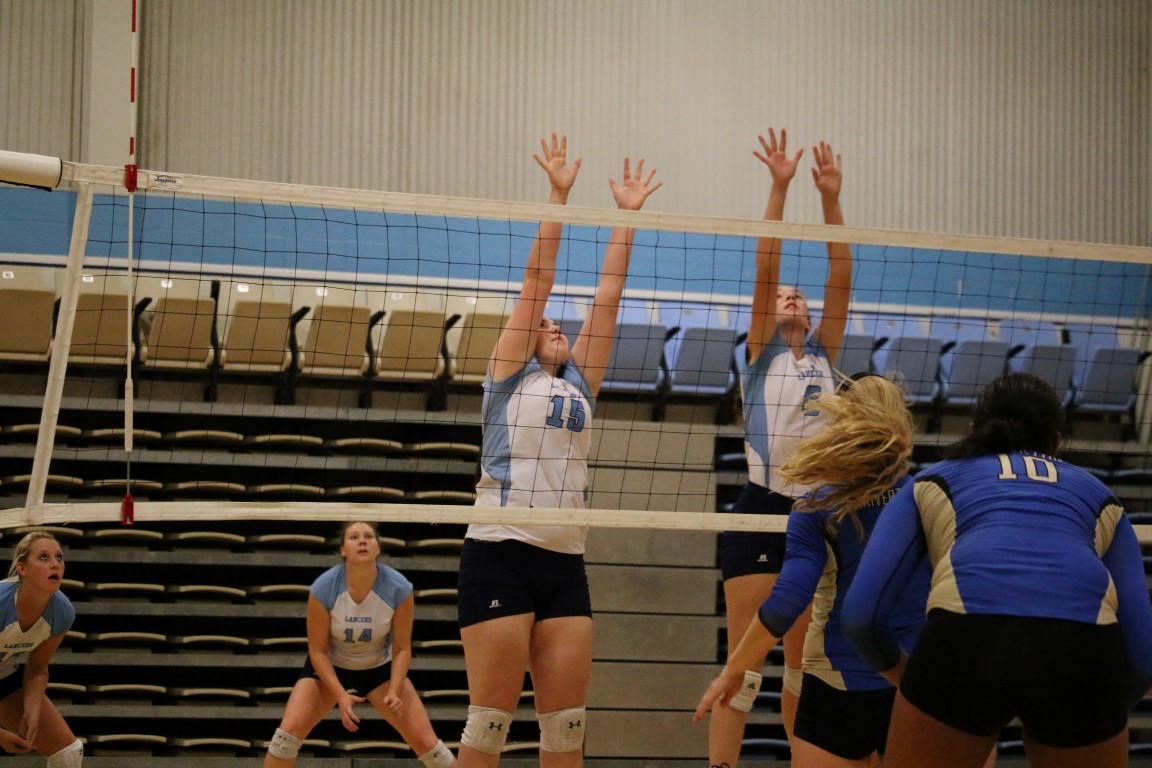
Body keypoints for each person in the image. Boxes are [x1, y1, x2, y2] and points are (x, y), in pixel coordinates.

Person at [455, 133, 661, 768]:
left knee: (567, 729)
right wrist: (558, 195)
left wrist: (626, 218)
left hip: (566, 558)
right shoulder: (506, 375)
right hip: (500, 549)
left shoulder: (580, 383)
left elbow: (608, 297)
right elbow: (536, 281)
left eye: (556, 324)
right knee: (490, 725)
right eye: (544, 324)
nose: (553, 327)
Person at [843, 372, 1152, 768]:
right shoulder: (1101, 496)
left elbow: (861, 618)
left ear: (974, 428)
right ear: (1056, 443)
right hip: (1082, 650)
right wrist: (1095, 713)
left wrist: (918, 686)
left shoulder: (932, 481)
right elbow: (1143, 658)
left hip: (966, 639)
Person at [711, 127, 852, 768]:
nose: (791, 295)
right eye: (782, 296)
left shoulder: (826, 354)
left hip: (815, 511)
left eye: (800, 295)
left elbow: (841, 271)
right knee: (743, 670)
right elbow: (766, 263)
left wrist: (830, 199)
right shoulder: (760, 354)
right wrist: (779, 186)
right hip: (761, 506)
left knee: (802, 666)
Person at [696, 373, 918, 767]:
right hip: (912, 683)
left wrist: (734, 669)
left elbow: (787, 601)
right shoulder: (927, 495)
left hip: (837, 685)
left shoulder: (815, 507)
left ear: (841, 422)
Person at [264, 521, 454, 768]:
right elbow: (317, 651)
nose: (362, 541)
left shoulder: (399, 588)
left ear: (378, 547)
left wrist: (395, 689)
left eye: (368, 536)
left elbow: (402, 649)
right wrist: (340, 695)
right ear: (343, 549)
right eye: (354, 537)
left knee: (432, 748)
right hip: (331, 667)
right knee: (285, 739)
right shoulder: (323, 588)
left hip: (379, 669)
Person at [0, 531, 84, 766]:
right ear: (22, 568)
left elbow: (37, 666)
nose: (55, 564)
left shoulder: (62, 613)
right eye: (44, 557)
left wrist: (32, 711)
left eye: (59, 557)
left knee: (68, 753)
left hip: (4, 672)